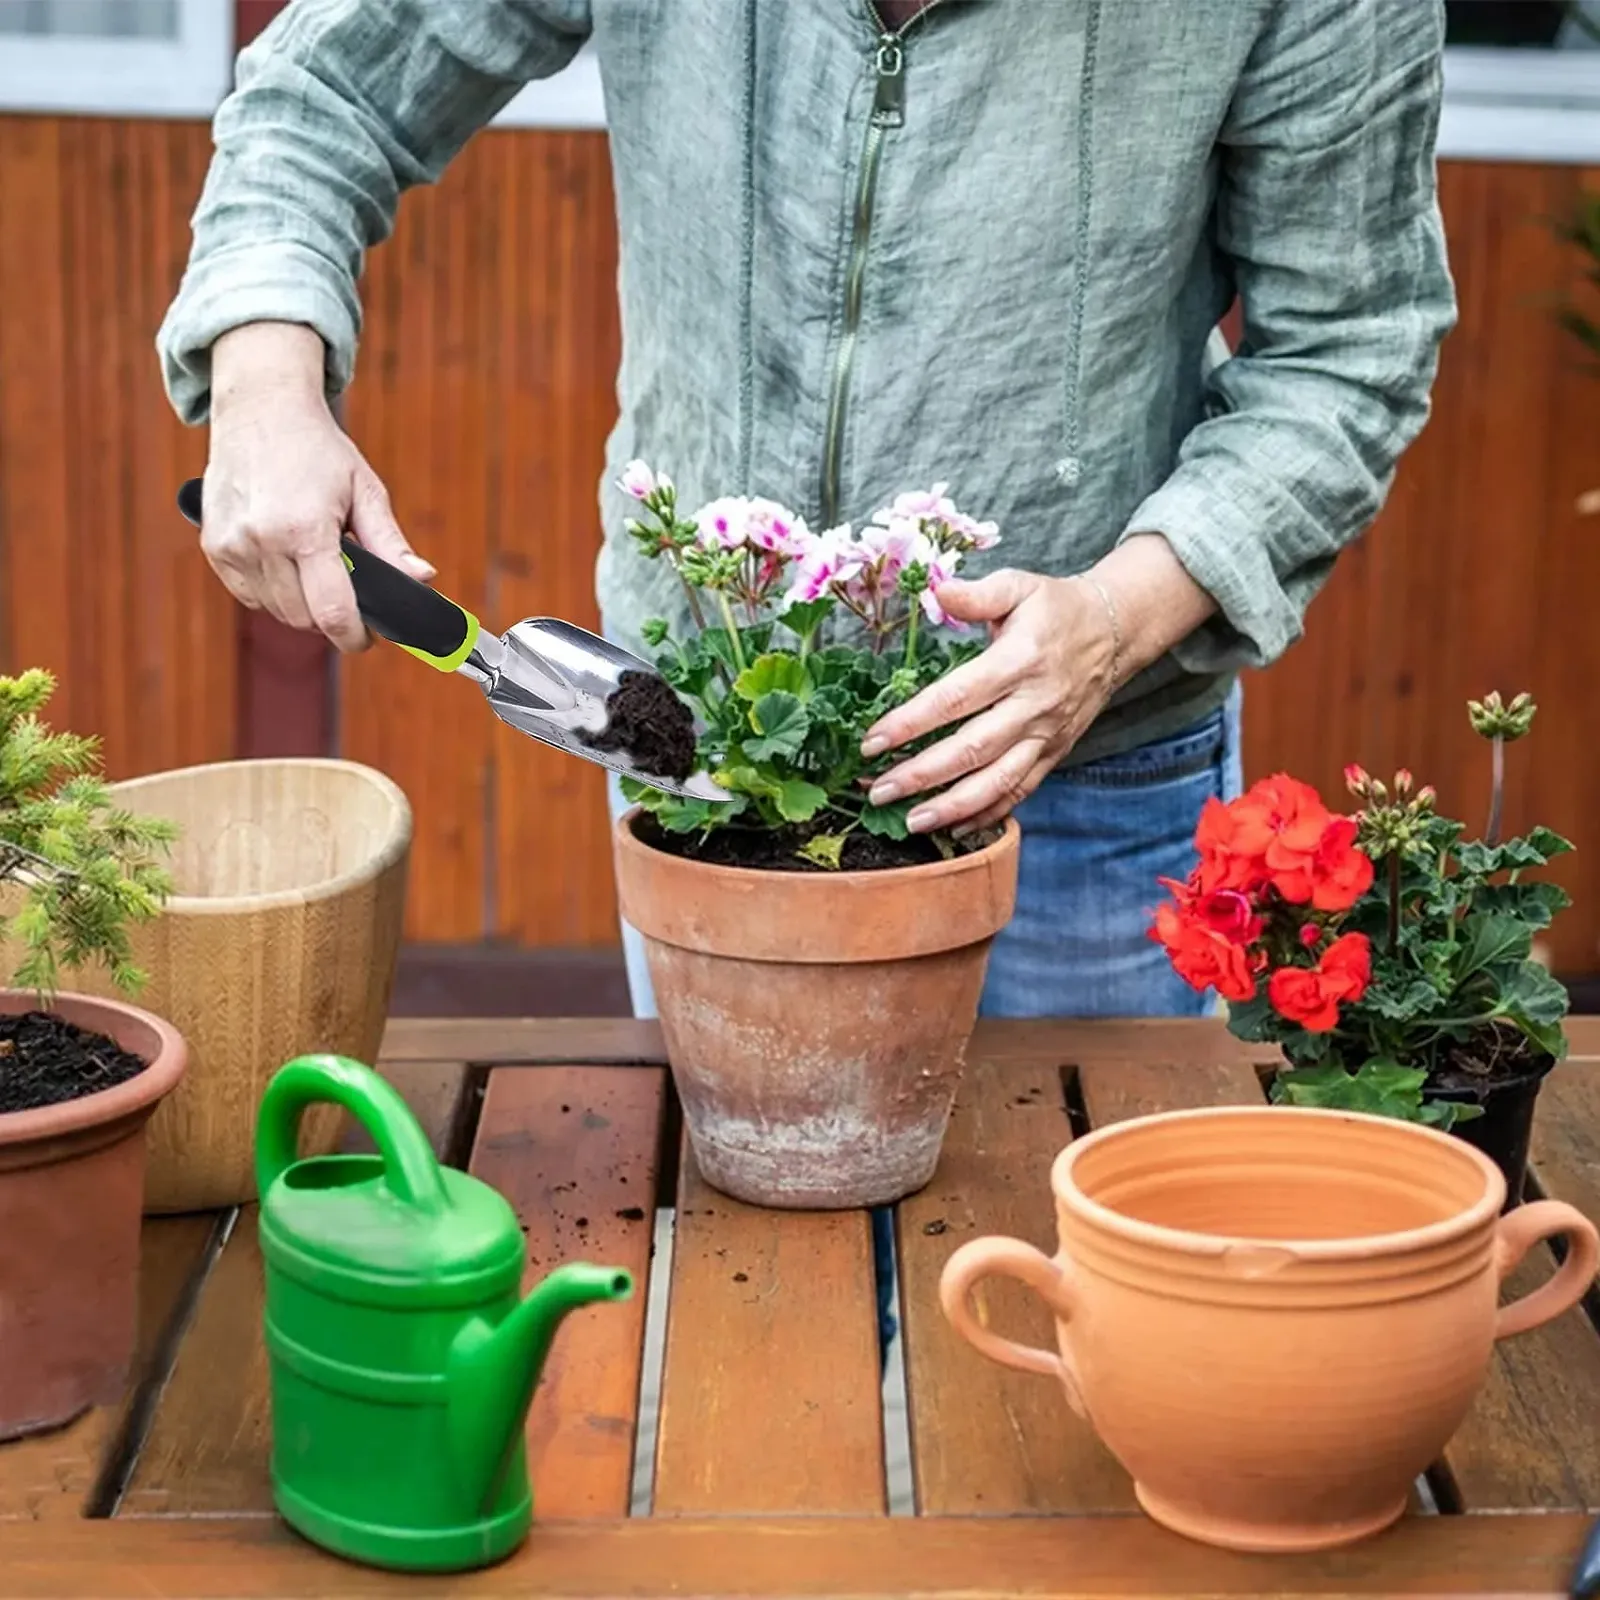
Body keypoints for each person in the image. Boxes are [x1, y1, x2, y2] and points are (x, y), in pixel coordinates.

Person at [157, 1, 1455, 1352]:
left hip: (1081, 771)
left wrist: (1120, 618)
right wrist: (263, 384)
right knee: (767, 1314)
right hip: (704, 762)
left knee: (1077, 1323)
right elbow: (327, 95)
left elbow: (1349, 348)